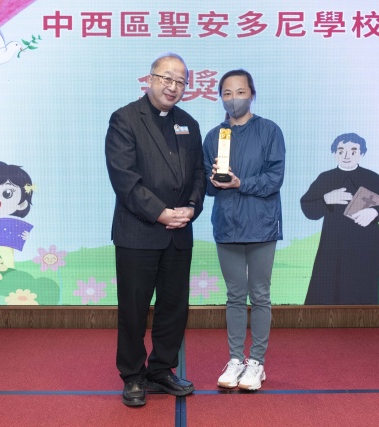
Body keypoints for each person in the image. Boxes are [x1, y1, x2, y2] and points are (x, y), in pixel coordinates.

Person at [105, 53, 206, 407]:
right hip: (138, 232)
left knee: (174, 308)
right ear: (149, 79)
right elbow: (124, 178)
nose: (172, 87)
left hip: (179, 233)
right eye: (166, 78)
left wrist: (191, 207)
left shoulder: (189, 124)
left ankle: (161, 370)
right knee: (133, 309)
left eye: (180, 82)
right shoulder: (125, 119)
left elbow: (199, 174)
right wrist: (161, 213)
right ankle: (133, 375)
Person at [202, 69, 285, 391]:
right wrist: (212, 182)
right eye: (227, 93)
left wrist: (241, 183)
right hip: (227, 225)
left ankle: (257, 363)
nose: (234, 99)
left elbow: (274, 179)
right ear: (220, 98)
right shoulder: (214, 137)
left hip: (261, 225)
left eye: (240, 92)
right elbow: (207, 187)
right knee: (235, 296)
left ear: (252, 94)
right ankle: (236, 359)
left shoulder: (269, 131)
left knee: (260, 295)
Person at [300, 133, 379, 305]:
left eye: (353, 151)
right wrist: (326, 199)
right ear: (334, 153)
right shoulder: (325, 178)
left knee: (362, 282)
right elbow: (308, 208)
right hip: (333, 240)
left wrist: (374, 212)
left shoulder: (371, 177)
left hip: (366, 241)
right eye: (341, 151)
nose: (346, 155)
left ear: (362, 154)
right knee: (328, 281)